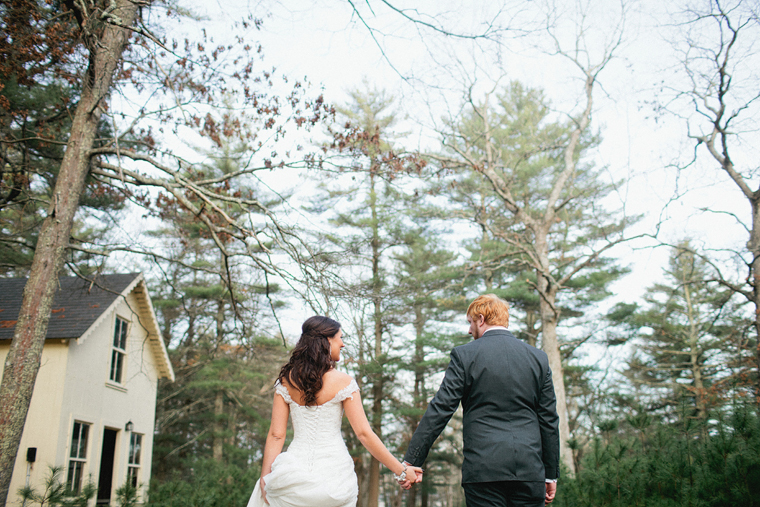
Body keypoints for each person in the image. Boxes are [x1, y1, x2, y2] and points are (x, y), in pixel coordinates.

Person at [403, 294, 560, 507]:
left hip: (484, 471)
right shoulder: (538, 358)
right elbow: (549, 419)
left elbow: (441, 409)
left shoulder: (465, 356)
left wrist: (413, 460)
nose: (469, 330)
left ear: (481, 318)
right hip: (529, 470)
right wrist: (550, 474)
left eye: (470, 322)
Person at [248, 316, 417, 507]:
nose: (343, 344)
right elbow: (364, 434)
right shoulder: (344, 382)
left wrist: (265, 477)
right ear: (328, 341)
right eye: (340, 338)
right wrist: (401, 471)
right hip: (334, 477)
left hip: (293, 474)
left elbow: (276, 435)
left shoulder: (286, 381)